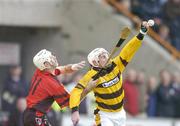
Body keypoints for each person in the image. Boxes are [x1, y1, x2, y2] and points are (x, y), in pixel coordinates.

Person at [70, 21, 152, 126]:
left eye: (106, 54)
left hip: (120, 113)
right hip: (104, 115)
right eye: (103, 57)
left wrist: (141, 34)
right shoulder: (91, 75)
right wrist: (74, 111)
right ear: (95, 62)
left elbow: (128, 50)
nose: (107, 57)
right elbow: (75, 92)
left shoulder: (116, 64)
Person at [23, 49, 85, 126]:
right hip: (35, 116)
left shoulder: (41, 70)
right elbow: (71, 102)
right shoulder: (51, 83)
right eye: (51, 57)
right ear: (46, 64)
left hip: (33, 114)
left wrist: (72, 67)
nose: (54, 57)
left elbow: (62, 69)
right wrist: (88, 87)